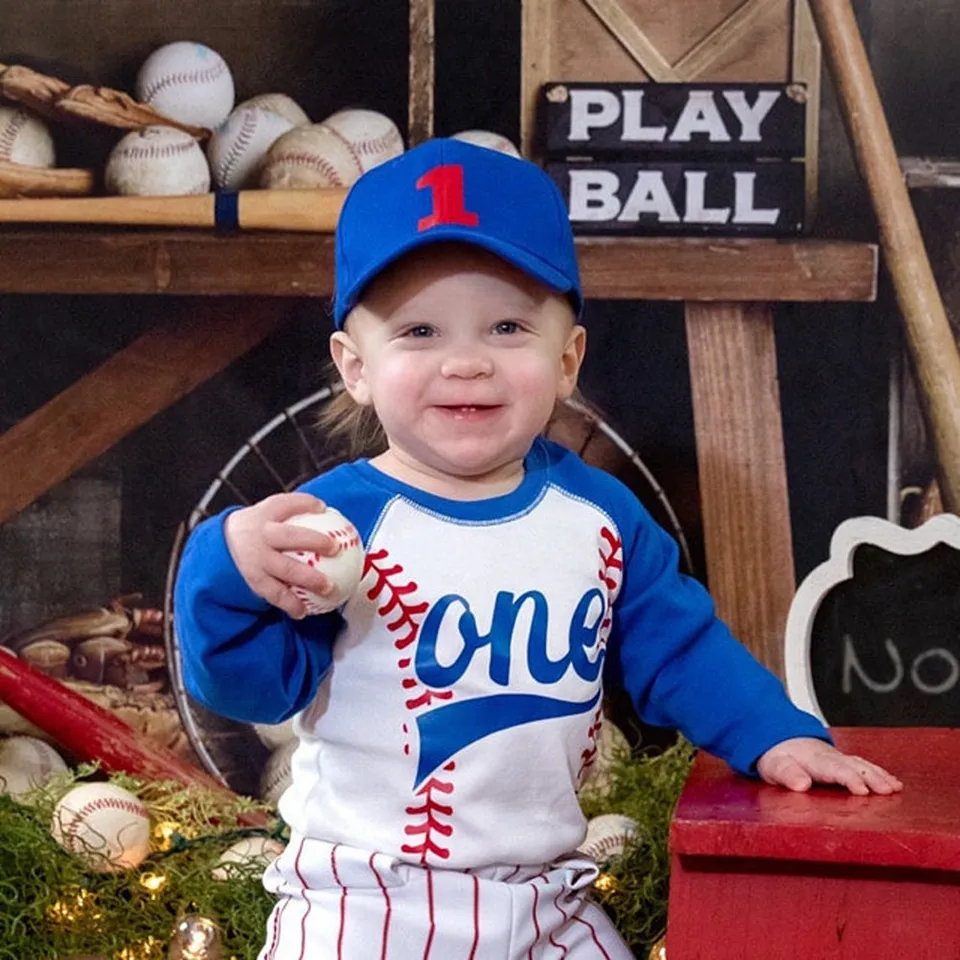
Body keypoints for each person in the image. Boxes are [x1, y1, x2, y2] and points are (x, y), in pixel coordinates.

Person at [174, 138, 902, 959]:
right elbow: (250, 689)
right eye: (418, 330)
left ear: (566, 359)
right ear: (355, 367)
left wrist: (774, 733)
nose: (466, 361)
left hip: (545, 891)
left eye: (508, 325)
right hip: (370, 897)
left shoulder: (599, 514)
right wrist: (223, 567)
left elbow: (682, 649)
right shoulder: (331, 523)